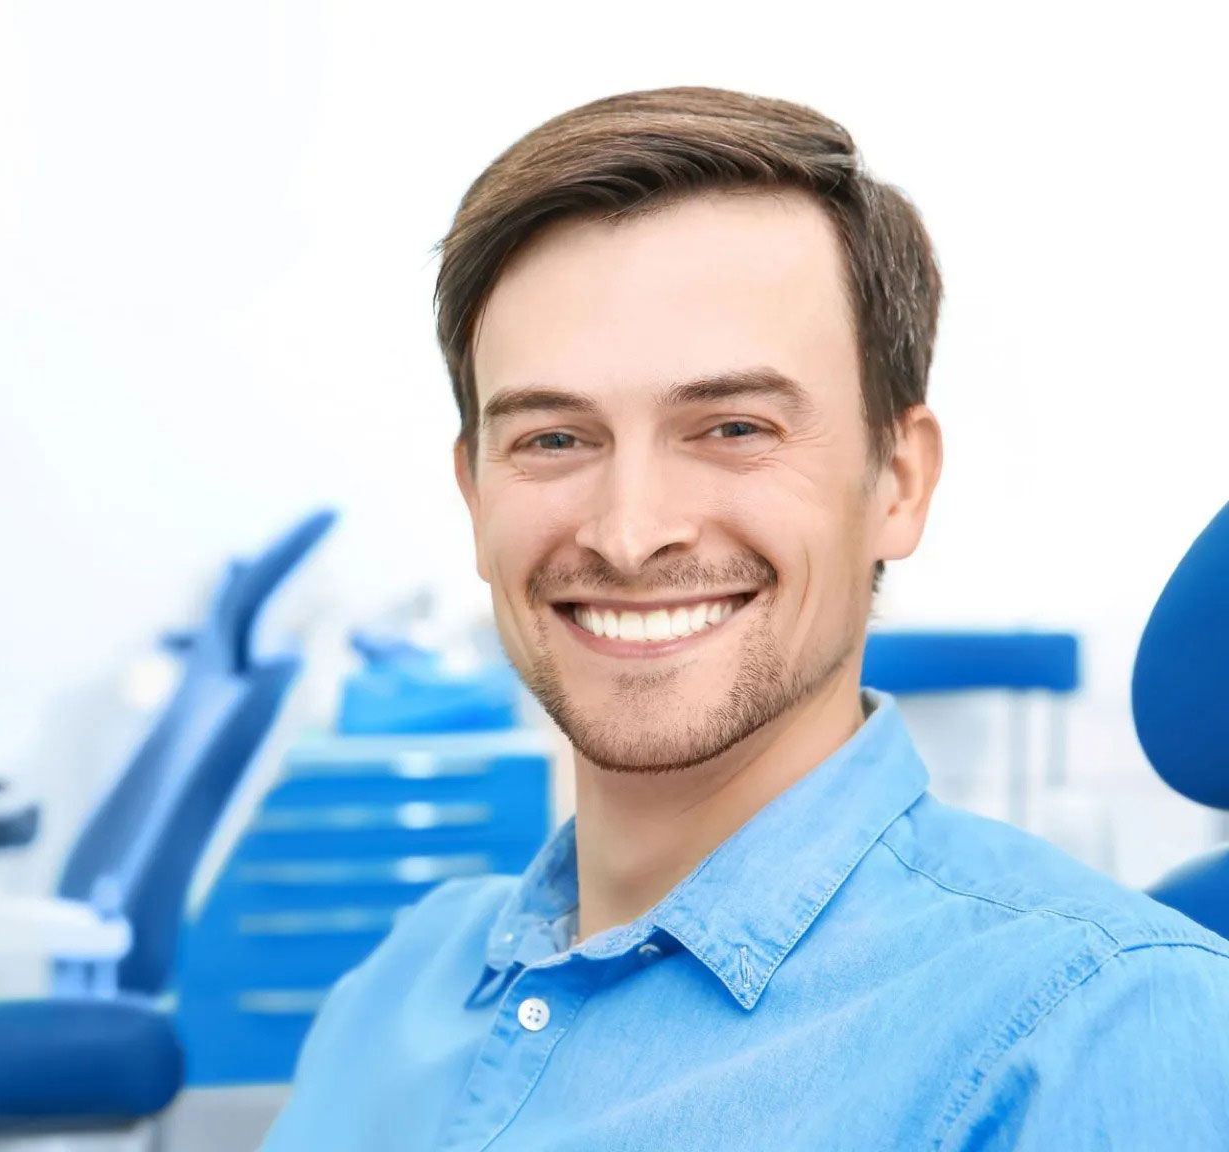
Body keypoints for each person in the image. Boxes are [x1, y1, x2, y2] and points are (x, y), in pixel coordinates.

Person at [259, 87, 1229, 1150]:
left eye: (731, 425)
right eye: (552, 440)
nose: (629, 535)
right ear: (476, 491)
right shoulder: (396, 986)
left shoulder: (1100, 1031)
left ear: (898, 482)